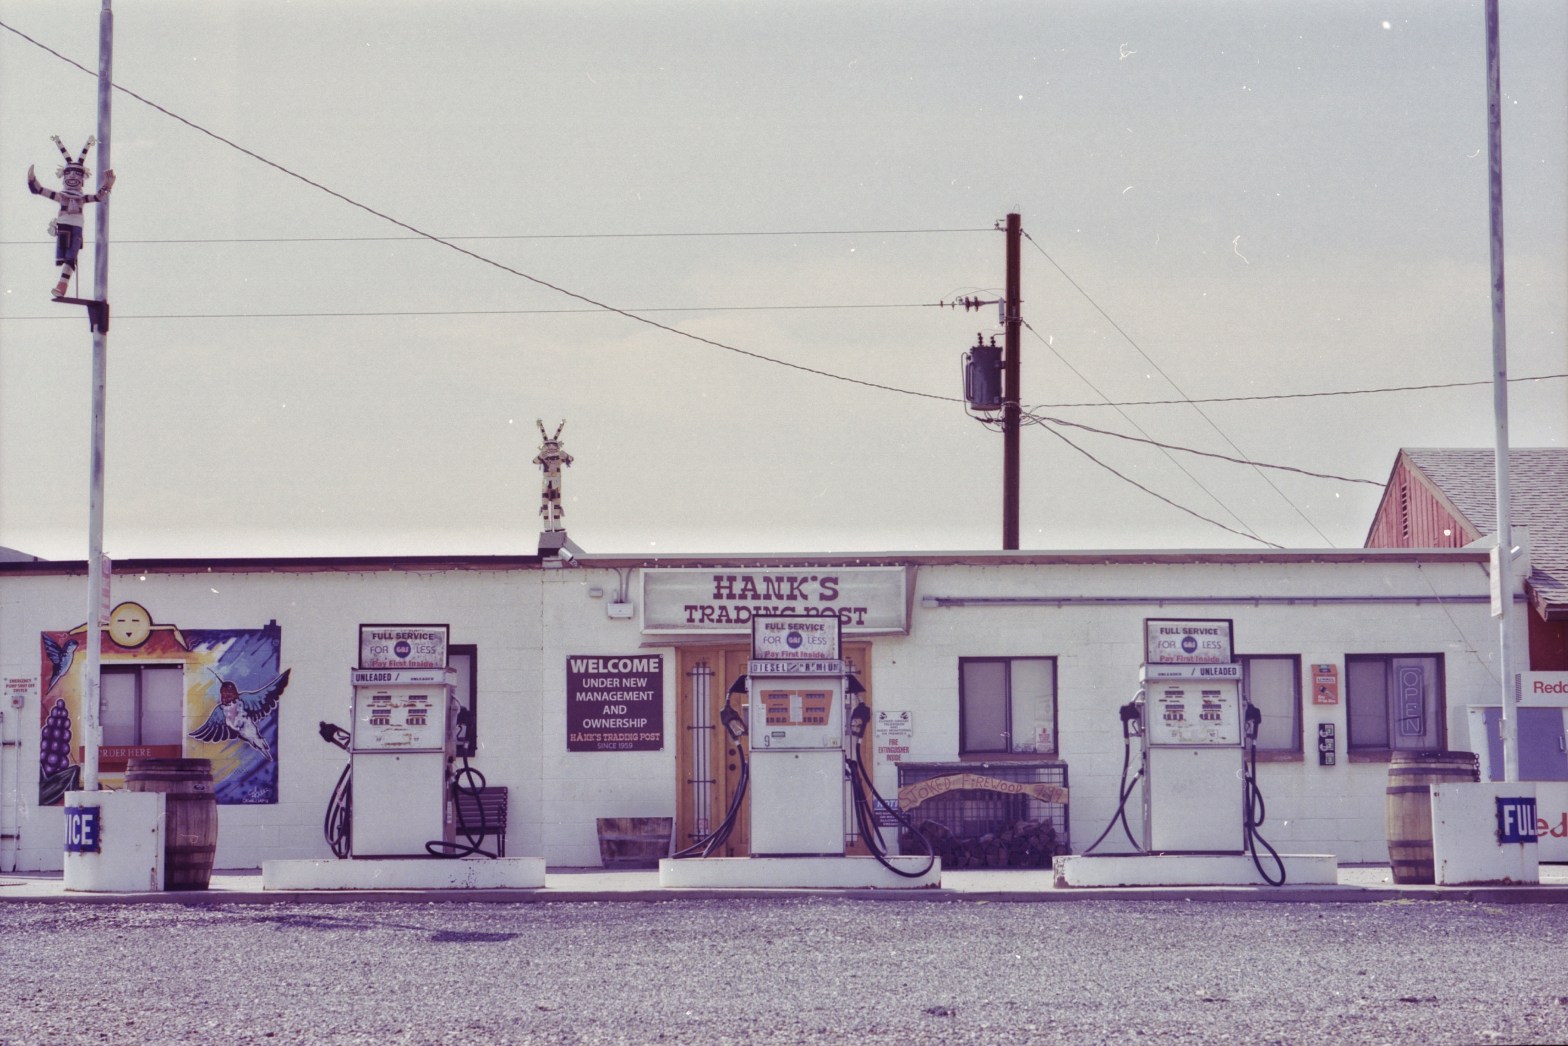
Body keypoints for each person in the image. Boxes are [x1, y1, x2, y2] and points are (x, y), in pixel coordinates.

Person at [26, 136, 114, 298]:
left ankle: (62, 285)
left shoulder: (79, 199)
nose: (73, 177)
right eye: (69, 174)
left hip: (76, 227)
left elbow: (97, 197)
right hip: (65, 225)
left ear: (82, 179)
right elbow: (40, 190)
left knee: (71, 257)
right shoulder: (62, 197)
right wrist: (32, 182)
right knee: (68, 256)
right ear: (64, 177)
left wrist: (107, 187)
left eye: (77, 174)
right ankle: (62, 285)